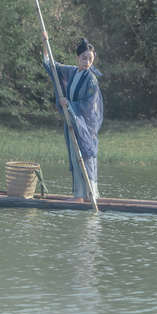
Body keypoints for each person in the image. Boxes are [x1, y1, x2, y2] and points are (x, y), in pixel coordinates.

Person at [42, 31, 103, 200]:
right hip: (70, 122)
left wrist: (70, 104)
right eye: (84, 58)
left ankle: (91, 194)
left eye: (90, 59)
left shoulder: (91, 80)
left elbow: (91, 107)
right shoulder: (70, 72)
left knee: (86, 156)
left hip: (84, 125)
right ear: (77, 57)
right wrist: (45, 44)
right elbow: (51, 65)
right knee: (75, 158)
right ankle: (79, 194)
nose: (87, 62)